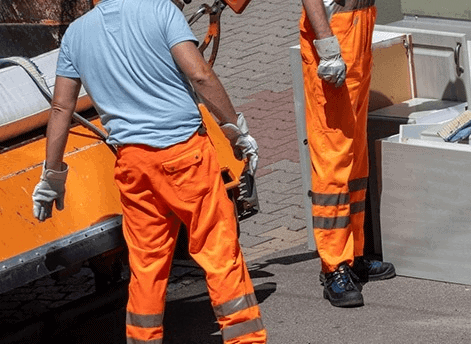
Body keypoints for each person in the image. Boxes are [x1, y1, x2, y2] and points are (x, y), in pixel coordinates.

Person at [30, 0, 267, 342]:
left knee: (146, 266)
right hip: (186, 157)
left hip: (133, 165)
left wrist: (52, 176)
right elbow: (199, 73)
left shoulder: (76, 35)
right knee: (217, 251)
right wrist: (236, 129)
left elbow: (61, 107)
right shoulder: (160, 11)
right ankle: (245, 338)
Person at [299, 0, 396, 308]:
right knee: (333, 155)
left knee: (354, 153)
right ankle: (334, 266)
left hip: (359, 24)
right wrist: (327, 45)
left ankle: (352, 256)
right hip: (335, 31)